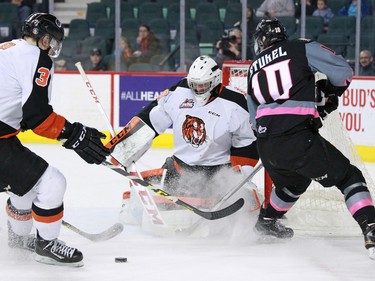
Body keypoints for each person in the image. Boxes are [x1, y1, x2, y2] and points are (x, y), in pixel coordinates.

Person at [247, 18, 375, 259]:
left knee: (293, 184)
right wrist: (329, 92)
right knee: (349, 177)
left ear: (261, 40)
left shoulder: (253, 68)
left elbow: (254, 119)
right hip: (297, 138)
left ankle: (266, 222)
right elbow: (344, 72)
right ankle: (371, 227)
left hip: (266, 145)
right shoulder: (299, 47)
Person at [0, 12, 111, 266]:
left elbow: (15, 106)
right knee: (51, 183)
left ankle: (18, 241)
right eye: (53, 41)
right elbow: (38, 118)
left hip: (3, 138)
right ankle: (46, 244)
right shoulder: (37, 58)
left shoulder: (6, 49)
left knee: (25, 183)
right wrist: (75, 135)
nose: (52, 48)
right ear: (43, 39)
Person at [114, 56, 260, 226]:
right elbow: (152, 120)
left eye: (203, 85)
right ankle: (131, 208)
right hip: (180, 169)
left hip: (218, 173)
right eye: (194, 84)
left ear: (215, 81)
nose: (198, 89)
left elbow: (247, 143)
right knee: (140, 185)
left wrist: (240, 176)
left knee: (244, 200)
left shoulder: (235, 102)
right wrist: (124, 147)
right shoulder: (180, 91)